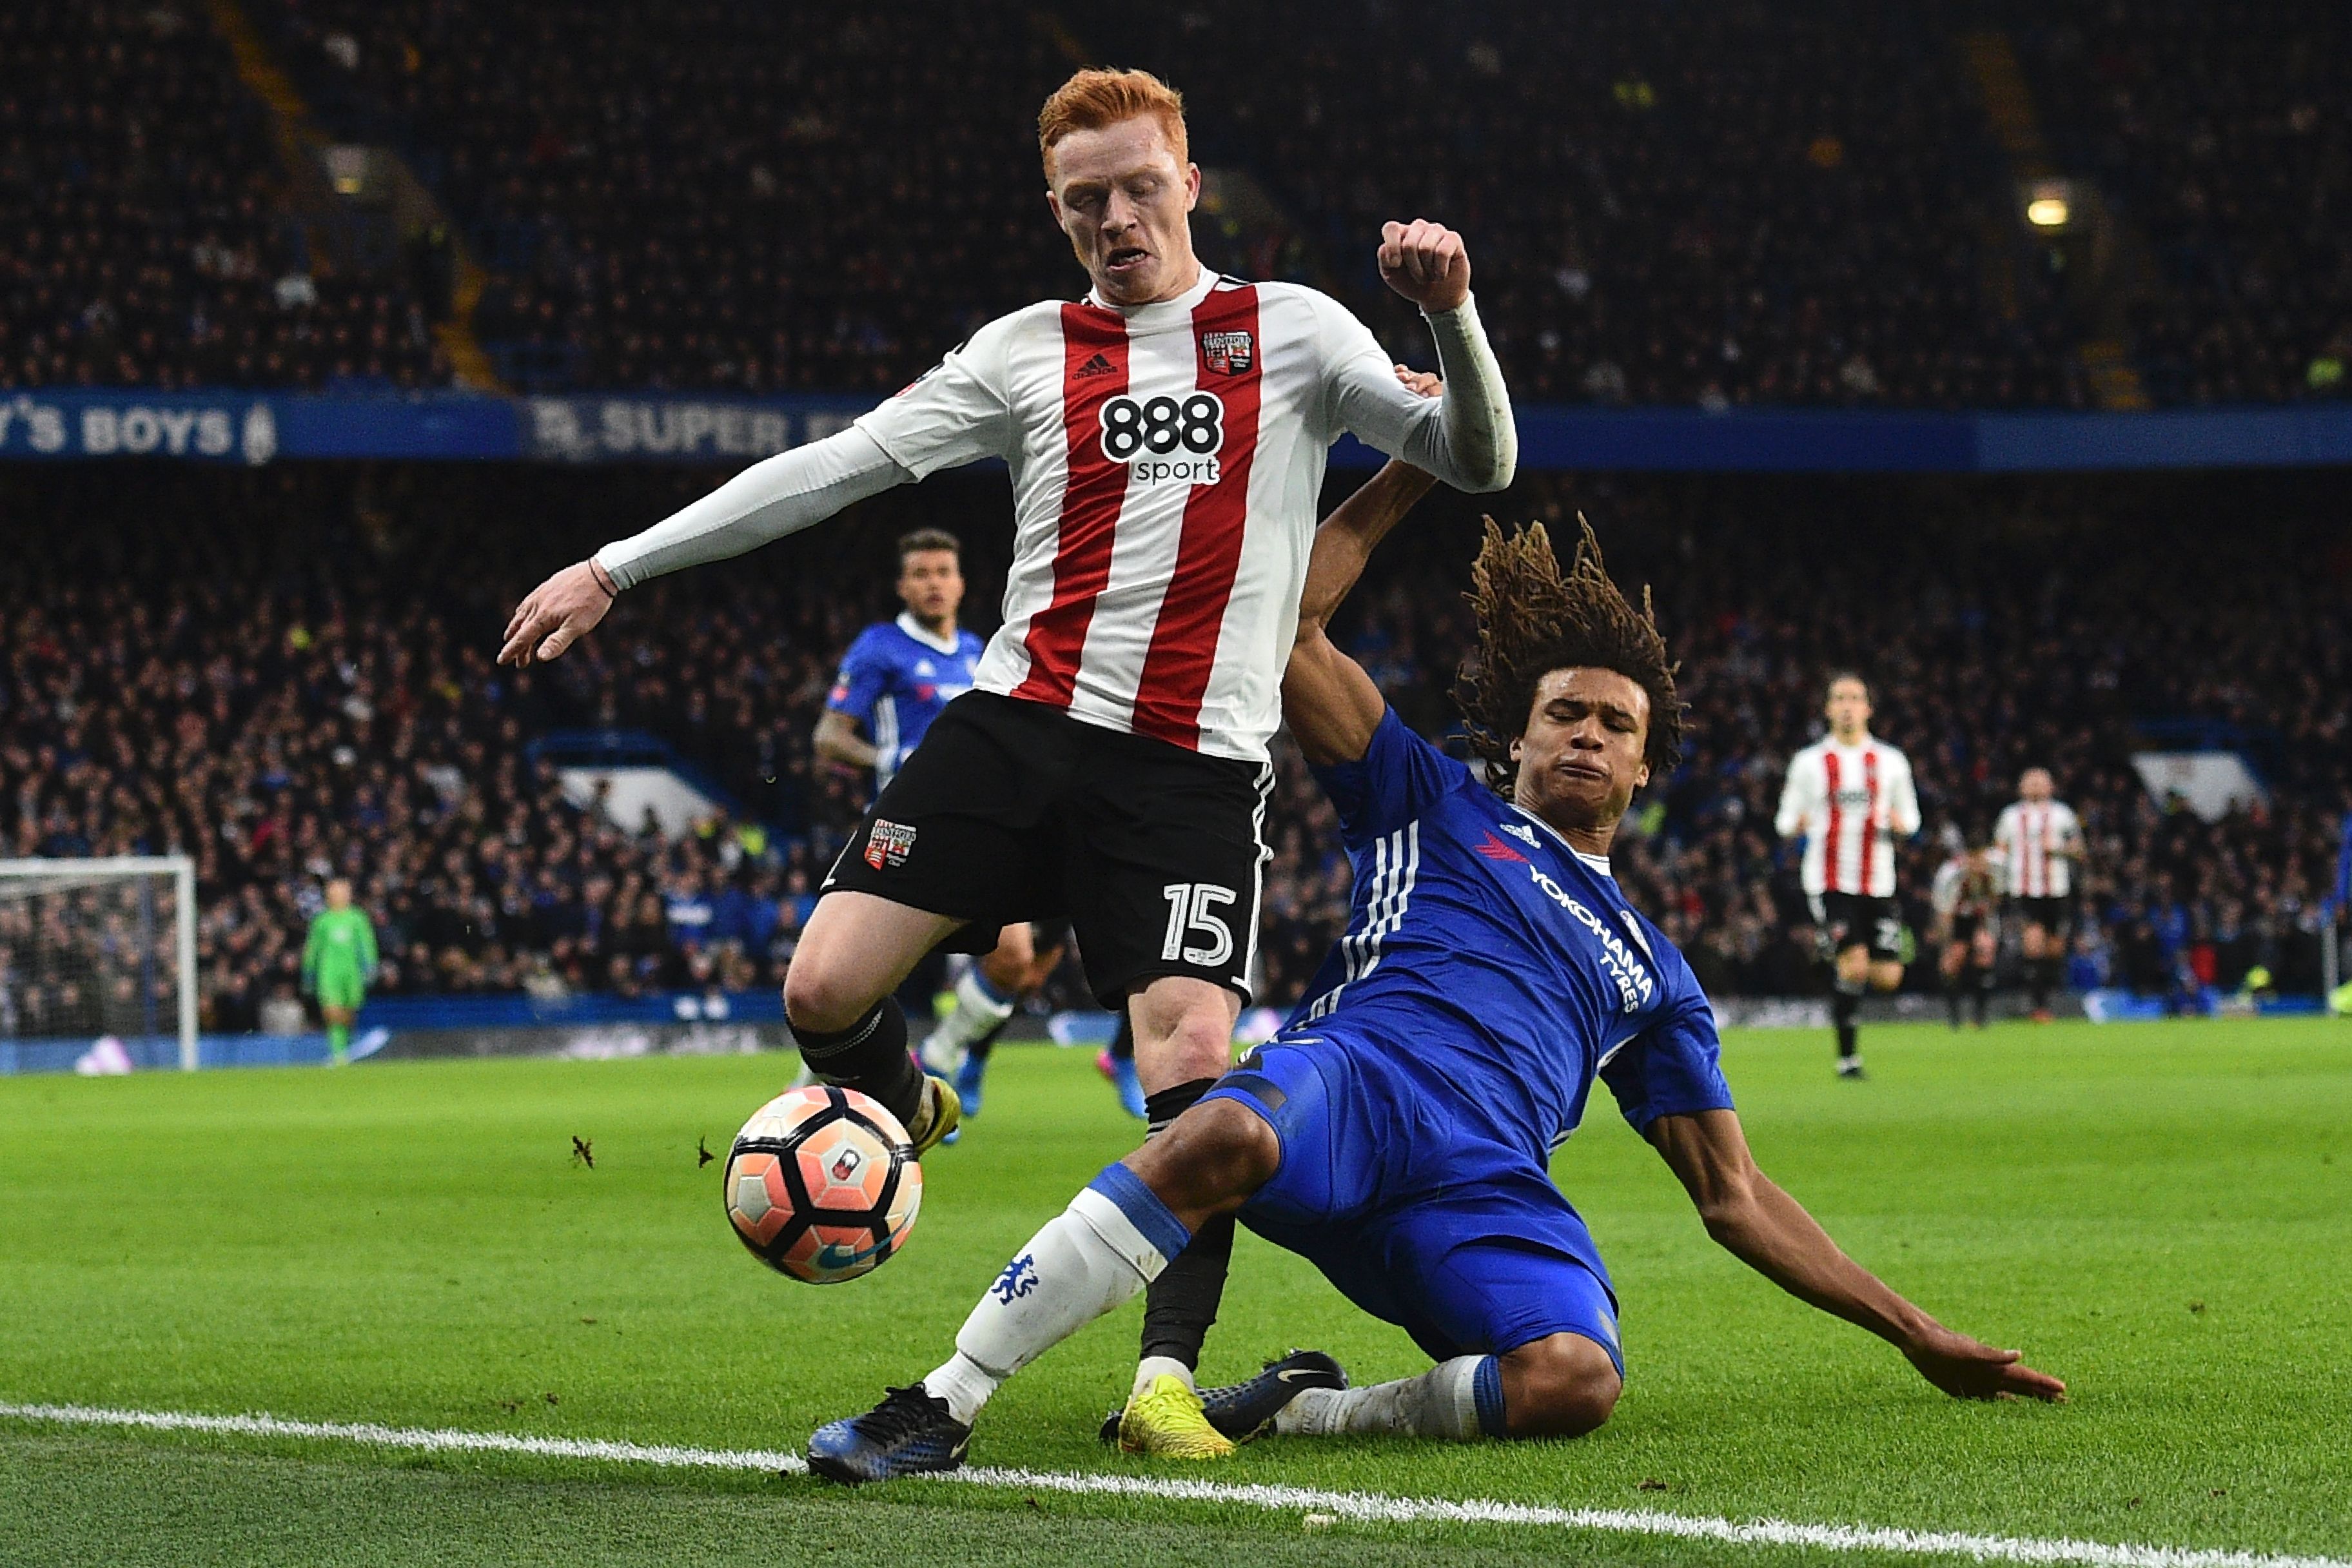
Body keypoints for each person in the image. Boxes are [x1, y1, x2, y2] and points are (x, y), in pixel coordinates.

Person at [497, 66, 1516, 1454]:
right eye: (1084, 198)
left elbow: (1480, 453)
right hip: (1016, 728)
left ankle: (1163, 1379)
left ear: (1190, 182)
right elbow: (835, 468)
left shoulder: (1293, 333)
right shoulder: (1025, 349)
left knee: (1195, 1072)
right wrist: (617, 567)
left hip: (1190, 772)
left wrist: (1449, 313)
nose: (1115, 215)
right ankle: (912, 1094)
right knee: (821, 986)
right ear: (1055, 209)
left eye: (1139, 185)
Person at [801, 493, 2064, 1484]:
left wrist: (1912, 1329)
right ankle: (942, 1401)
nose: (1585, 733)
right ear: (1514, 735)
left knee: (1574, 1378)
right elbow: (1289, 625)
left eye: (1614, 725)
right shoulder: (1427, 797)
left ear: (1644, 767)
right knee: (1222, 1122)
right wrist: (1418, 461)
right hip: (1354, 1093)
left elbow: (1733, 1197)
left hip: (1483, 1186)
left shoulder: (1655, 973)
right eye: (1563, 712)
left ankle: (1310, 1411)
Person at [808, 527, 1072, 1103]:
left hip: (976, 831)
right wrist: (889, 757)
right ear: (903, 586)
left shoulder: (982, 652)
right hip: (900, 831)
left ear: (961, 583)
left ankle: (941, 1057)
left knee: (1014, 962)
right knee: (855, 980)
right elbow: (829, 737)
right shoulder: (880, 647)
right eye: (922, 574)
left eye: (943, 573)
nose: (934, 584)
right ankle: (807, 1090)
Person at [1774, 675, 1921, 1078]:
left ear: (1868, 708)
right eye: (1839, 698)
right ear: (1827, 708)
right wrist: (1797, 824)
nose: (1847, 706)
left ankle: (1832, 962)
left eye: (1856, 698)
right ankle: (1848, 1059)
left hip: (1879, 881)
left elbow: (1911, 819)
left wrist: (1899, 823)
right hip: (1828, 879)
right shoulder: (1809, 763)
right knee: (1854, 966)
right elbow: (1784, 820)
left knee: (1889, 976)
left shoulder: (1891, 762)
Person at [1993, 768, 2084, 1023]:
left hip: (2056, 891)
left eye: (2040, 782)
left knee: (2054, 949)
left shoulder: (2063, 815)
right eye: (2029, 781)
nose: (2034, 786)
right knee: (2033, 944)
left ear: (2050, 786)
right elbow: (1999, 851)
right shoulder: (2010, 816)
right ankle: (2036, 1005)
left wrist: (2056, 850)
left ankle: (2045, 998)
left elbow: (2079, 849)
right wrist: (1997, 884)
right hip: (2023, 891)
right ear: (2021, 787)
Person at [300, 878, 377, 1066]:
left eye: (343, 891)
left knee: (348, 1013)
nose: (339, 895)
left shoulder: (357, 918)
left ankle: (347, 1048)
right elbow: (313, 948)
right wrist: (308, 972)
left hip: (352, 973)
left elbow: (366, 943)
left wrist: (371, 966)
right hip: (328, 973)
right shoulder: (322, 921)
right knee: (332, 1012)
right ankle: (338, 1054)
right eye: (335, 891)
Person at [1930, 842, 2000, 1030]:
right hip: (1956, 920)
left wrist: (1987, 929)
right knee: (1953, 962)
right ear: (1967, 858)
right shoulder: (1950, 875)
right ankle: (1954, 1017)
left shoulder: (1996, 869)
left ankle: (1981, 1016)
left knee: (1985, 954)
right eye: (1974, 860)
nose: (1978, 865)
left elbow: (1996, 900)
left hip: (1981, 919)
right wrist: (1946, 943)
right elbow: (1944, 912)